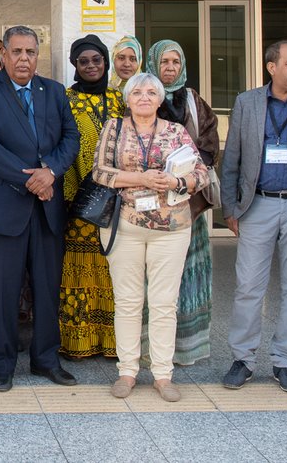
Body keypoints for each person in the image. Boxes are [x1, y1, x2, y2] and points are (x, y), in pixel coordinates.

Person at [0, 25, 80, 393]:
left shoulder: (54, 91)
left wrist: (52, 172)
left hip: (46, 209)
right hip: (1, 206)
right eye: (16, 52)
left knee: (47, 288)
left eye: (30, 52)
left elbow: (70, 138)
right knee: (2, 290)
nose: (24, 59)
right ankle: (3, 363)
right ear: (3, 54)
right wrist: (31, 179)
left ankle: (46, 359)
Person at [92, 73, 208, 402]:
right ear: (127, 99)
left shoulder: (176, 131)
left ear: (160, 100)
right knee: (127, 302)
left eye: (151, 92)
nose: (144, 97)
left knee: (163, 304)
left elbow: (200, 173)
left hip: (171, 230)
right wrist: (140, 177)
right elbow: (99, 171)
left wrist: (173, 182)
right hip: (124, 226)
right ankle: (127, 371)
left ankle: (162, 374)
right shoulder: (113, 128)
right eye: (137, 92)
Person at [220, 40, 287, 393]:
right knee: (249, 286)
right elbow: (231, 157)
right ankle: (243, 358)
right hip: (257, 205)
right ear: (271, 67)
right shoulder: (247, 102)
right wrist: (230, 208)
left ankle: (285, 360)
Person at [145, 39, 218, 365]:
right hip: (150, 203)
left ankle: (187, 347)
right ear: (153, 65)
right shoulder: (144, 95)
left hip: (188, 201)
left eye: (176, 61)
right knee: (154, 275)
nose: (170, 68)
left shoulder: (193, 100)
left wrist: (183, 174)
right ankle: (153, 350)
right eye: (164, 62)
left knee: (189, 272)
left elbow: (208, 142)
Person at [59, 35, 125, 360]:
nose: (90, 66)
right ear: (75, 65)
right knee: (80, 270)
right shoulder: (65, 99)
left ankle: (114, 343)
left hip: (118, 201)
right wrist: (69, 193)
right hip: (79, 201)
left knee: (113, 269)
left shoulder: (119, 99)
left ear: (104, 62)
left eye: (96, 60)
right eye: (83, 61)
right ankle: (79, 342)